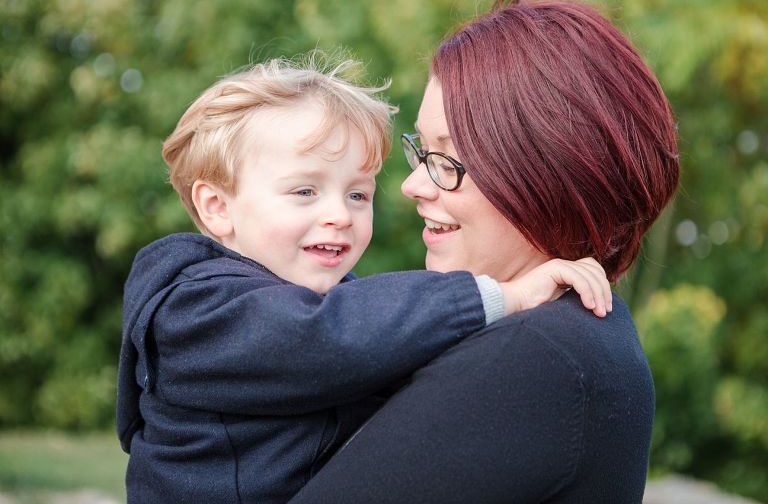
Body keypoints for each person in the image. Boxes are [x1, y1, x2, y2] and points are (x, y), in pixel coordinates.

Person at [116, 56, 612, 503]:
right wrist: (506, 295)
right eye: (305, 190)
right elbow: (325, 339)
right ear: (217, 207)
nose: (339, 214)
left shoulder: (337, 302)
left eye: (357, 194)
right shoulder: (196, 307)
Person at [288, 0, 680, 503]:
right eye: (423, 151)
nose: (413, 185)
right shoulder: (578, 341)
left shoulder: (538, 359)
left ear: (546, 171)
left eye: (449, 160)